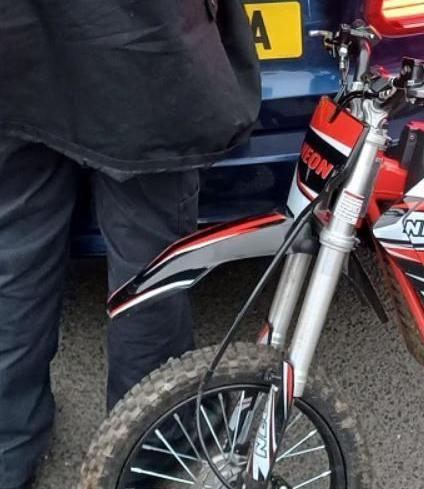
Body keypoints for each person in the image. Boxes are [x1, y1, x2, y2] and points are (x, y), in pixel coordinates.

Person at [0, 1, 261, 487]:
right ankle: (150, 454)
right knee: (151, 273)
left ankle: (6, 448)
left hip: (15, 51)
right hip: (145, 53)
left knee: (13, 261)